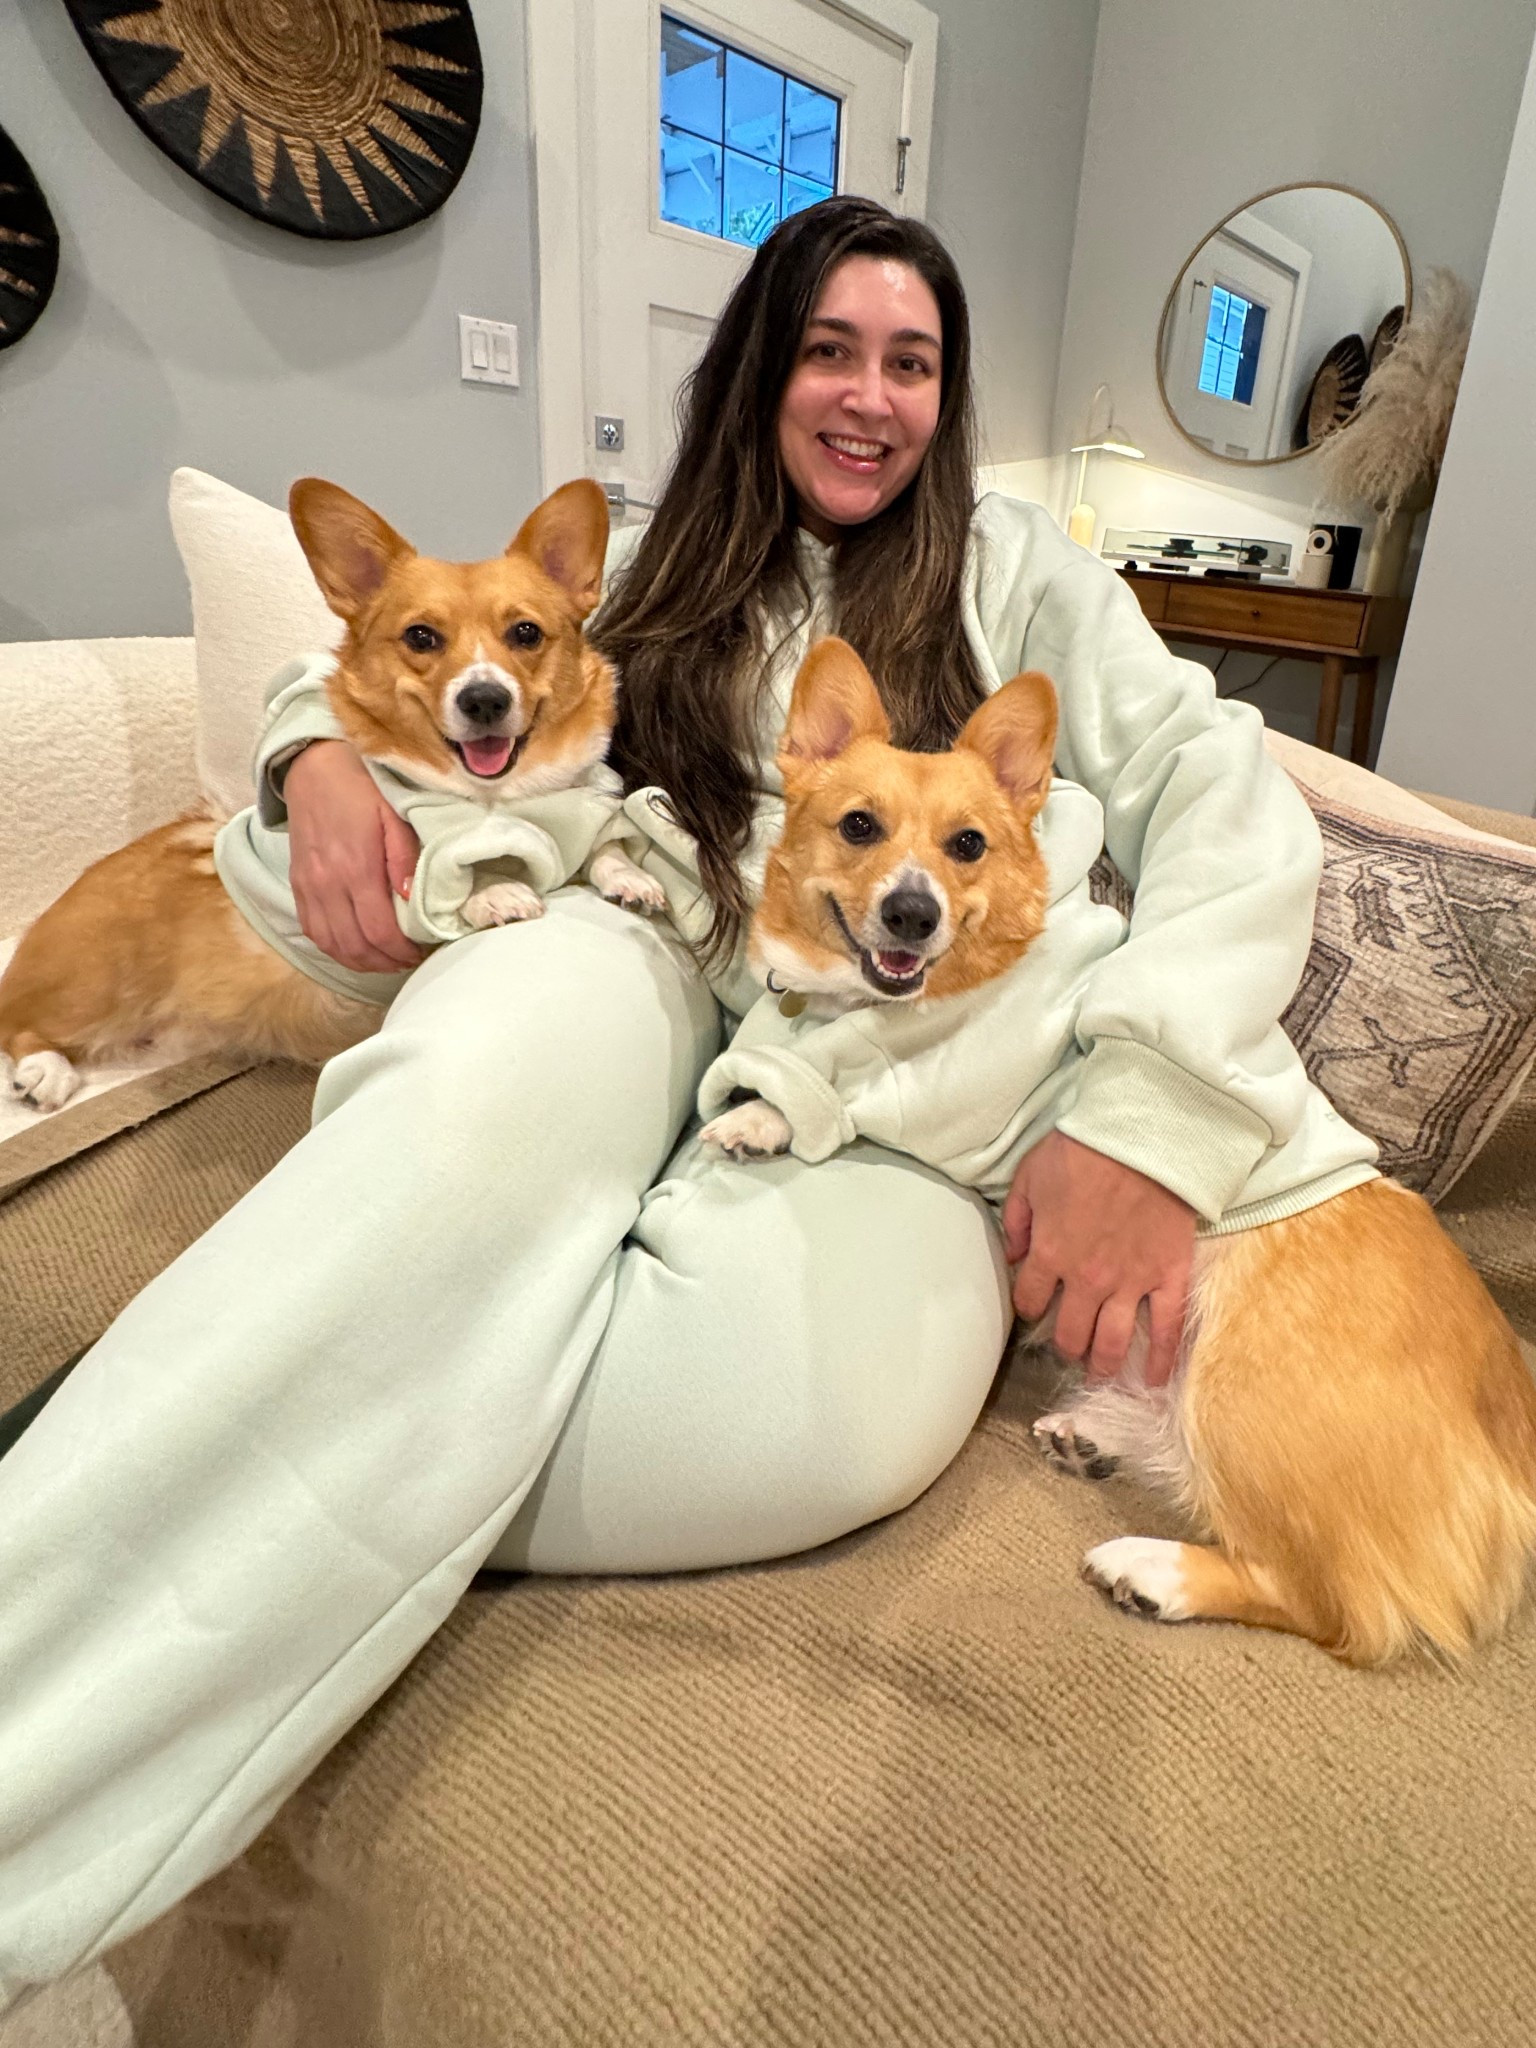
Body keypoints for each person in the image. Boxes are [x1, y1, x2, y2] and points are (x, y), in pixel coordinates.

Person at [0, 196, 1355, 2005]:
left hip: (897, 1079)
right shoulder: (647, 558)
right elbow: (428, 640)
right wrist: (306, 749)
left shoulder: (1027, 574)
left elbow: (1229, 795)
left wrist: (1155, 1110)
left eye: (914, 362)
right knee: (451, 1137)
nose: (871, 398)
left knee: (837, 1423)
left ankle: (240, 1453)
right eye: (829, 350)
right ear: (757, 370)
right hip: (634, 947)